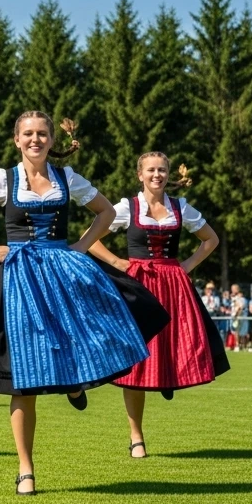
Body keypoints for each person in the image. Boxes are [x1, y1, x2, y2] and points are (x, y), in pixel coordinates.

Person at [0, 113, 168, 495]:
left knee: (102, 325)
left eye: (42, 134)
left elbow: (105, 212)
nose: (36, 139)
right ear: (17, 140)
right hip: (19, 279)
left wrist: (81, 247)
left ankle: (74, 384)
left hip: (63, 271)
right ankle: (26, 469)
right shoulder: (4, 179)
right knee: (23, 381)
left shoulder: (68, 178)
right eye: (28, 134)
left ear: (51, 140)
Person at [87, 153, 227, 458]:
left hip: (173, 286)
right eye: (151, 170)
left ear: (167, 174)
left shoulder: (181, 207)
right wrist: (118, 263)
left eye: (161, 170)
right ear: (140, 174)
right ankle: (136, 436)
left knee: (176, 345)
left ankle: (166, 380)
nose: (157, 175)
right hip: (139, 286)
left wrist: (186, 266)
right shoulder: (127, 207)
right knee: (136, 362)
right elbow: (91, 239)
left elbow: (210, 239)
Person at [228, 284, 248, 352]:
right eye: (232, 288)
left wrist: (237, 315)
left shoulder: (242, 299)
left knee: (240, 332)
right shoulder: (233, 298)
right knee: (236, 332)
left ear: (238, 289)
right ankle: (238, 345)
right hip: (233, 317)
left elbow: (241, 307)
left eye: (234, 288)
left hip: (240, 317)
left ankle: (239, 345)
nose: (232, 290)